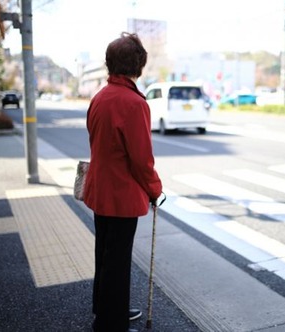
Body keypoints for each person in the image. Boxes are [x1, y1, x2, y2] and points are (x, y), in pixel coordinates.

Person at [83, 32, 163, 332]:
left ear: (109, 63)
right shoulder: (134, 103)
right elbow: (142, 160)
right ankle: (110, 322)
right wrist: (156, 190)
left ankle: (105, 308)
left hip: (99, 190)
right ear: (138, 65)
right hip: (121, 196)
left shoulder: (100, 98)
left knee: (104, 253)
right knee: (117, 261)